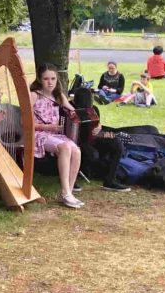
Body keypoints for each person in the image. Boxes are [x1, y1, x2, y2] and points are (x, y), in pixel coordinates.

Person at [28, 63, 85, 209]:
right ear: (40, 79)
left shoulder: (59, 96)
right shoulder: (34, 95)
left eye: (53, 78)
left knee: (76, 151)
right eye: (46, 79)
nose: (50, 82)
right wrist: (50, 127)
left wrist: (92, 122)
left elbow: (75, 114)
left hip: (55, 134)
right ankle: (66, 193)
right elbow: (26, 123)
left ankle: (68, 193)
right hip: (38, 134)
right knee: (65, 147)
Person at [70, 87, 130, 192]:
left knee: (117, 144)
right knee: (92, 154)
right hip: (75, 141)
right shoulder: (69, 109)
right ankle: (71, 179)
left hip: (92, 139)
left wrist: (100, 128)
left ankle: (110, 180)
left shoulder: (94, 109)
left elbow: (96, 126)